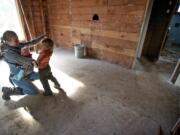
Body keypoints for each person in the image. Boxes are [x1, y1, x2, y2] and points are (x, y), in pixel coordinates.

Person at [1, 30, 45, 101]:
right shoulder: (8, 53)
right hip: (18, 76)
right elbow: (22, 59)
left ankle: (27, 82)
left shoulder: (15, 45)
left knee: (43, 75)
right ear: (7, 42)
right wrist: (33, 61)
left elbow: (30, 43)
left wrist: (41, 37)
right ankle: (9, 91)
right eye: (15, 41)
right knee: (34, 92)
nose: (18, 42)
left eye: (17, 39)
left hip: (26, 72)